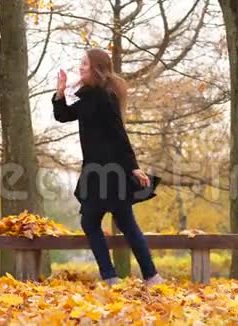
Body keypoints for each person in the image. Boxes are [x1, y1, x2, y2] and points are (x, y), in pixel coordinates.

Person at [51, 48, 164, 287]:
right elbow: (63, 115)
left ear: (96, 68)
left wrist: (133, 167)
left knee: (94, 222)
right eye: (81, 63)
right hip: (98, 171)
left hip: (108, 172)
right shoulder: (89, 96)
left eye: (85, 63)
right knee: (119, 223)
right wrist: (60, 89)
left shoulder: (103, 97)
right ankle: (148, 276)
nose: (80, 67)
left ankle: (116, 277)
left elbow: (118, 133)